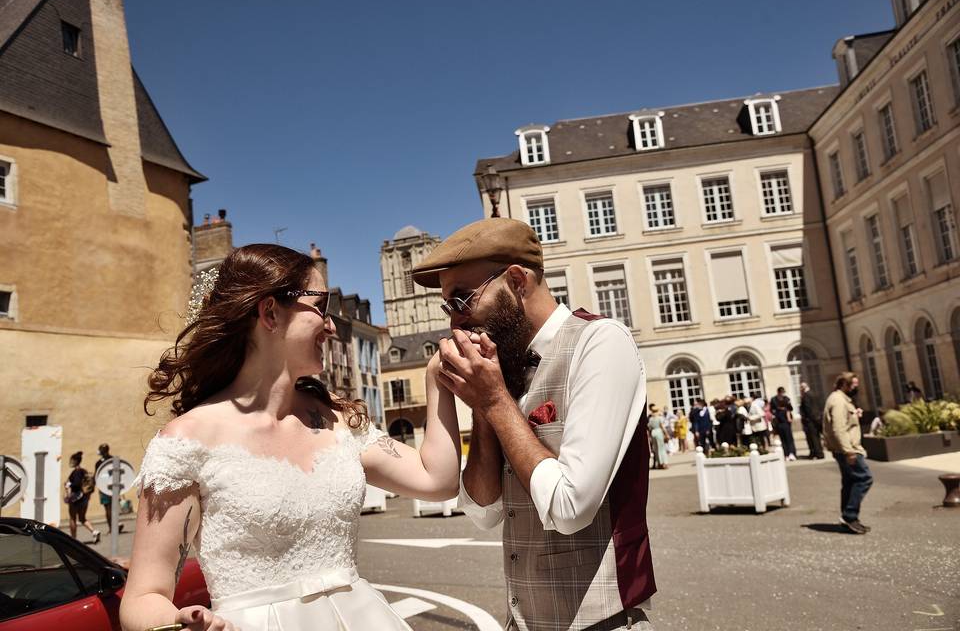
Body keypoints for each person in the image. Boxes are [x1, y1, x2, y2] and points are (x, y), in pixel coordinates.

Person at [119, 244, 462, 631]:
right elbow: (143, 598)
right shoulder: (186, 441)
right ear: (269, 313)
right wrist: (178, 624)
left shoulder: (336, 418)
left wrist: (437, 379)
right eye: (321, 306)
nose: (331, 326)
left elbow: (437, 479)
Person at [411, 218, 656, 631]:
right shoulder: (502, 366)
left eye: (462, 300)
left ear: (517, 281)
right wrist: (485, 402)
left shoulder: (601, 342)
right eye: (447, 308)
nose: (455, 323)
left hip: (604, 622)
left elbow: (570, 507)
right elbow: (484, 511)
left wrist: (493, 399)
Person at [823, 372, 873, 534]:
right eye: (854, 385)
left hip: (845, 448)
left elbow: (843, 422)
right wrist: (848, 451)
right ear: (844, 384)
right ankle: (849, 515)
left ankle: (849, 519)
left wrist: (854, 415)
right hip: (848, 449)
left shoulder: (841, 399)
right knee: (864, 478)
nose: (856, 388)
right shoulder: (838, 401)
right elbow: (838, 429)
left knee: (850, 482)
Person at [64, 451, 101, 543]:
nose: (70, 462)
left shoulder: (76, 472)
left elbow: (76, 484)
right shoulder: (84, 471)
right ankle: (94, 531)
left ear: (76, 461)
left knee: (72, 518)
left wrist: (69, 485)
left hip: (76, 498)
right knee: (82, 518)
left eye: (72, 460)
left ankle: (73, 539)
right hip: (85, 498)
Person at [94, 443, 124, 534]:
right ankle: (115, 526)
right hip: (113, 486)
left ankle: (112, 528)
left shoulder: (99, 463)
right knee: (113, 507)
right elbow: (119, 474)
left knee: (108, 508)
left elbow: (97, 476)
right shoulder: (113, 460)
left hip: (104, 487)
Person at [799, 383, 825, 459]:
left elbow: (808, 409)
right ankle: (820, 453)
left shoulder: (806, 396)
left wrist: (807, 418)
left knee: (813, 438)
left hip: (810, 420)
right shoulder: (814, 394)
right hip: (817, 418)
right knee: (817, 437)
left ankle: (816, 453)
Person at [771, 387, 797, 461]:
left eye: (783, 392)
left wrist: (786, 409)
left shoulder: (786, 399)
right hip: (779, 421)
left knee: (789, 438)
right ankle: (786, 454)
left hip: (786, 421)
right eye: (781, 392)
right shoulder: (774, 400)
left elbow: (790, 408)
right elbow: (772, 410)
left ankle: (792, 453)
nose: (782, 394)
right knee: (783, 439)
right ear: (778, 392)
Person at [648, 405, 668, 470]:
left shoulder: (651, 419)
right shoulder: (659, 418)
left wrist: (650, 436)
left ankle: (659, 463)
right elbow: (662, 426)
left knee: (656, 449)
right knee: (661, 448)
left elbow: (649, 428)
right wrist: (666, 434)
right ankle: (663, 463)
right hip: (658, 432)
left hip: (653, 432)